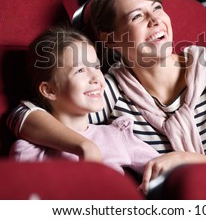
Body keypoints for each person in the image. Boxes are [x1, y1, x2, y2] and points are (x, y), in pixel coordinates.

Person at [7, 0, 206, 190]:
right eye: (137, 17)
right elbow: (23, 115)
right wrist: (83, 146)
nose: (155, 20)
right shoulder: (108, 89)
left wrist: (185, 160)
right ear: (111, 40)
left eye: (157, 8)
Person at [9, 26, 160, 192]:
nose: (96, 77)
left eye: (96, 67)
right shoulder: (28, 151)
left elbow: (166, 170)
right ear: (50, 90)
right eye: (80, 70)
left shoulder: (117, 135)